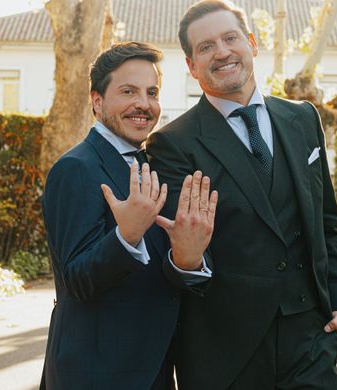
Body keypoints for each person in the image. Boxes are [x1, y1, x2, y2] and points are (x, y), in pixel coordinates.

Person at [147, 0, 337, 390]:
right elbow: (183, 255)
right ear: (191, 66)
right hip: (224, 352)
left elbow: (327, 221)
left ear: (253, 44)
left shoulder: (303, 119)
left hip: (311, 339)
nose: (222, 52)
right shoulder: (172, 144)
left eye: (230, 38)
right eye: (206, 47)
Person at [41, 41, 215, 390]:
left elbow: (161, 274)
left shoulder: (152, 164)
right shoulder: (75, 168)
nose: (144, 104)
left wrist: (189, 259)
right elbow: (76, 280)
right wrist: (126, 237)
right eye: (128, 91)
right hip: (94, 373)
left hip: (155, 369)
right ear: (97, 101)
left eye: (152, 92)